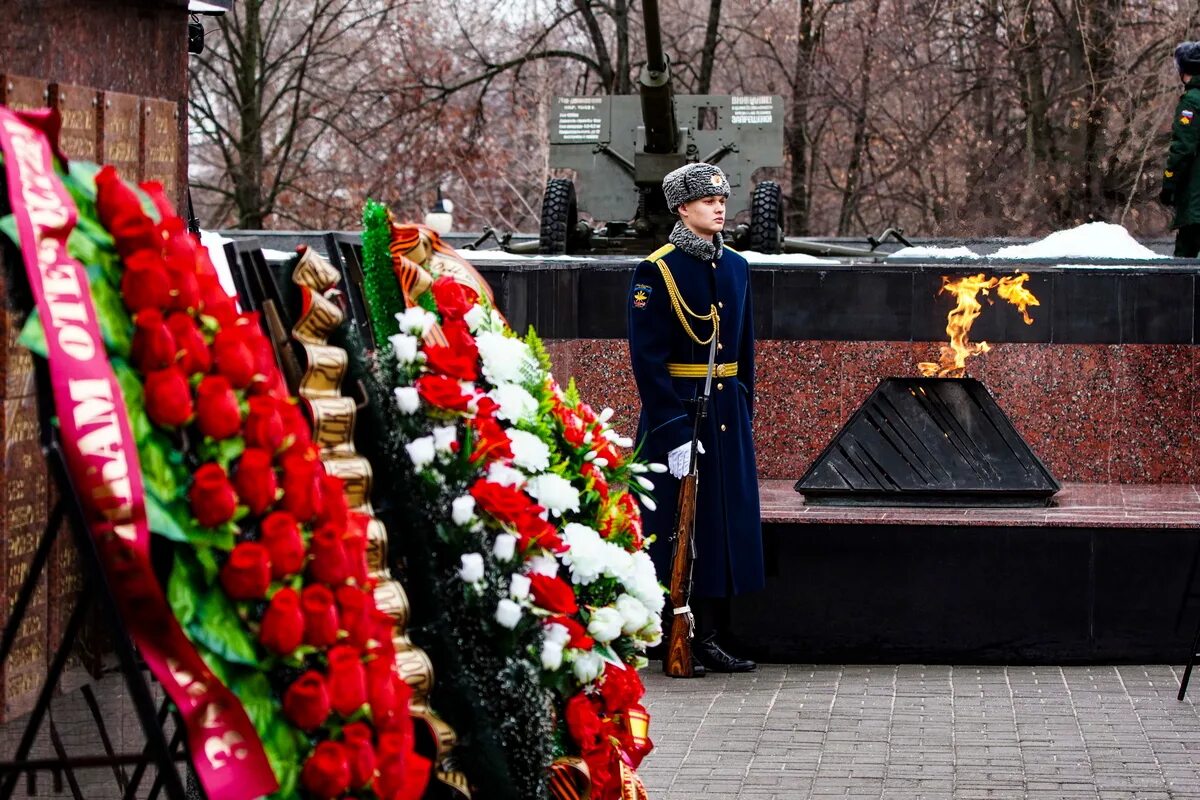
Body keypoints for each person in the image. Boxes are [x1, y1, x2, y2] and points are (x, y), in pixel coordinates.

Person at [627, 162, 764, 675]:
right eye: (708, 201)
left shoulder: (736, 267)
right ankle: (669, 634)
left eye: (723, 199)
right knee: (673, 526)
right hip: (680, 412)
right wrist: (673, 432)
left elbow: (744, 351)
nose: (720, 207)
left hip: (724, 411)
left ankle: (711, 634)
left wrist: (743, 408)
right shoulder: (656, 270)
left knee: (722, 525)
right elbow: (647, 359)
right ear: (683, 208)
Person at [1161, 41, 1200, 258]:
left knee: (1183, 268)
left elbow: (1183, 149)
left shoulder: (1192, 102)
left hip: (1195, 204)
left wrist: (1169, 184)